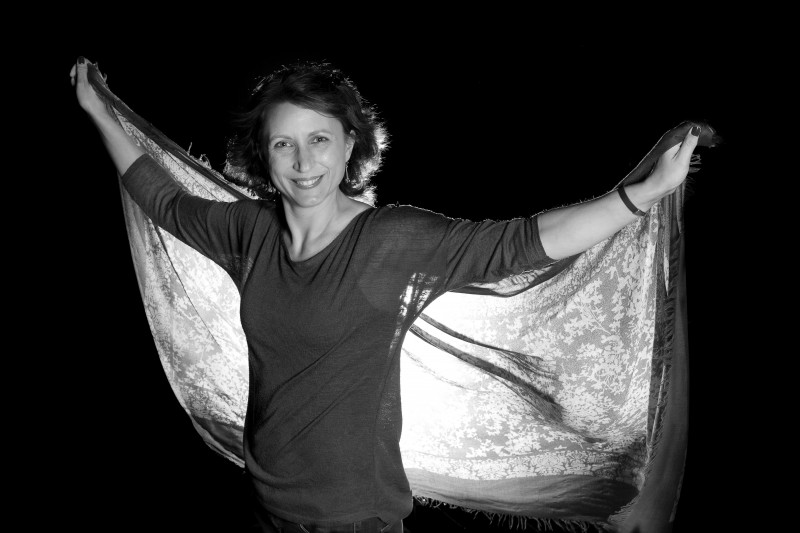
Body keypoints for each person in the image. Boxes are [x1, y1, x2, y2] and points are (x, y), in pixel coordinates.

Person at [70, 56, 701, 533]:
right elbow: (163, 199)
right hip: (265, 503)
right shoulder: (248, 232)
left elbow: (523, 242)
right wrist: (98, 109)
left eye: (319, 139)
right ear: (263, 154)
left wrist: (642, 194)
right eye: (283, 143)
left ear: (350, 144)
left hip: (355, 518)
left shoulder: (391, 241)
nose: (303, 161)